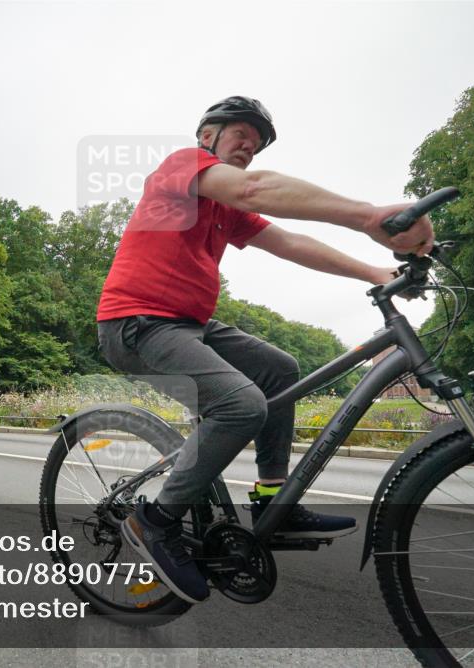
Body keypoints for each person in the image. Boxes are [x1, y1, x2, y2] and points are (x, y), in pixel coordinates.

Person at [97, 96, 435, 603]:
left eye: (254, 148)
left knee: (281, 370)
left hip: (190, 324)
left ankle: (274, 503)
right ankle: (154, 521)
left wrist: (375, 273)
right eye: (240, 137)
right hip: (136, 323)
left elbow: (290, 243)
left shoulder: (226, 210)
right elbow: (257, 187)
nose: (247, 150)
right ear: (208, 136)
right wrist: (366, 215)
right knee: (240, 405)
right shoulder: (181, 167)